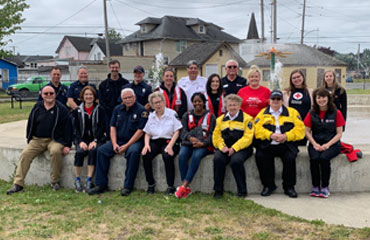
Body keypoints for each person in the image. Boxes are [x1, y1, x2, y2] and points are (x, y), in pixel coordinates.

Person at [6, 86, 72, 194]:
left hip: (54, 139)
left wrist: (67, 144)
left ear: (55, 95)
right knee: (25, 154)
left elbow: (68, 128)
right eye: (46, 94)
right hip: (37, 140)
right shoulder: (37, 107)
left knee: (55, 151)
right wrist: (29, 138)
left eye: (51, 93)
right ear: (42, 95)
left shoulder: (62, 109)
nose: (49, 95)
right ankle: (18, 184)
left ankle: (55, 181)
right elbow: (30, 123)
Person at [88, 88, 148, 196]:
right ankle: (101, 185)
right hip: (118, 140)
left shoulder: (142, 110)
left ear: (134, 97)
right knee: (101, 151)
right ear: (122, 99)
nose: (128, 99)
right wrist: (114, 143)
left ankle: (128, 186)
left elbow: (140, 131)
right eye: (125, 98)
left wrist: (127, 146)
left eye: (130, 97)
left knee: (133, 153)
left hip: (134, 142)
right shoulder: (117, 109)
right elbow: (112, 127)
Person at [254, 90, 305, 198]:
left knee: (290, 158)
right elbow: (256, 130)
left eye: (278, 99)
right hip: (268, 143)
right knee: (261, 156)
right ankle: (268, 185)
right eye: (273, 99)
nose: (276, 101)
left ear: (282, 101)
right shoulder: (262, 113)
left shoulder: (292, 112)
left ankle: (289, 187)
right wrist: (270, 135)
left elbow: (300, 130)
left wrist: (286, 136)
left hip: (286, 144)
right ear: (269, 101)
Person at [304, 88, 345, 198]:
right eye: (318, 97)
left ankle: (325, 187)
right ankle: (316, 186)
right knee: (314, 159)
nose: (321, 100)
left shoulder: (336, 113)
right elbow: (307, 132)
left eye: (323, 97)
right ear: (315, 99)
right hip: (315, 143)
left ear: (328, 98)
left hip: (332, 144)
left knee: (324, 158)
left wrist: (327, 145)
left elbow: (339, 134)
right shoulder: (311, 113)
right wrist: (314, 143)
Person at [212, 94, 254, 199]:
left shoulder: (248, 119)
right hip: (225, 147)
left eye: (235, 105)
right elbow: (216, 136)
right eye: (230, 105)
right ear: (226, 106)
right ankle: (218, 191)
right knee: (218, 159)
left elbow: (247, 138)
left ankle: (242, 191)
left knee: (236, 161)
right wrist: (222, 147)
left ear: (239, 106)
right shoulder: (220, 120)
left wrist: (234, 148)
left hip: (242, 148)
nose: (232, 107)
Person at [175, 92, 216, 198]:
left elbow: (213, 134)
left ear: (203, 102)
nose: (197, 103)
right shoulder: (186, 115)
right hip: (188, 143)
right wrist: (190, 138)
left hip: (204, 144)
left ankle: (184, 186)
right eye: (195, 101)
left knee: (196, 156)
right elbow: (182, 131)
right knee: (182, 155)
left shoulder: (210, 116)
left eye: (199, 101)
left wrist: (203, 143)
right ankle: (186, 188)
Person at [141, 92, 182, 195]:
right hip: (155, 141)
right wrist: (146, 145)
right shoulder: (151, 116)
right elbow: (147, 133)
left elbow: (177, 131)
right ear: (152, 105)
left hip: (169, 141)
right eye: (155, 103)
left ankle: (170, 186)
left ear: (164, 102)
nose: (158, 105)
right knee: (146, 155)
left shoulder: (171, 113)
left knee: (167, 156)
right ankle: (150, 184)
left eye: (159, 102)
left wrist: (170, 146)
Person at [72, 86, 106, 192]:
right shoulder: (77, 110)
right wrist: (80, 141)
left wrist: (95, 140)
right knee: (80, 152)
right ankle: (77, 179)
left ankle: (89, 180)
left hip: (96, 139)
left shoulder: (100, 109)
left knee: (93, 151)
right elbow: (76, 129)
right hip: (82, 139)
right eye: (86, 94)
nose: (88, 96)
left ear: (94, 96)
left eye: (91, 94)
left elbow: (102, 127)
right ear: (83, 96)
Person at [99, 60, 129, 136]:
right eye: (112, 67)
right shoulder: (103, 85)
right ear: (109, 68)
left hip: (123, 112)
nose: (114, 69)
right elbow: (101, 101)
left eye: (116, 67)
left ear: (119, 68)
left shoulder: (126, 83)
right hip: (108, 114)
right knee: (110, 133)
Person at [283, 70, 313, 145]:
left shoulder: (311, 92)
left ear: (303, 77)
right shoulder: (285, 92)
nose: (296, 79)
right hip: (291, 125)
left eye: (298, 77)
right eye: (294, 78)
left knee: (302, 146)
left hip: (305, 125)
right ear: (291, 80)